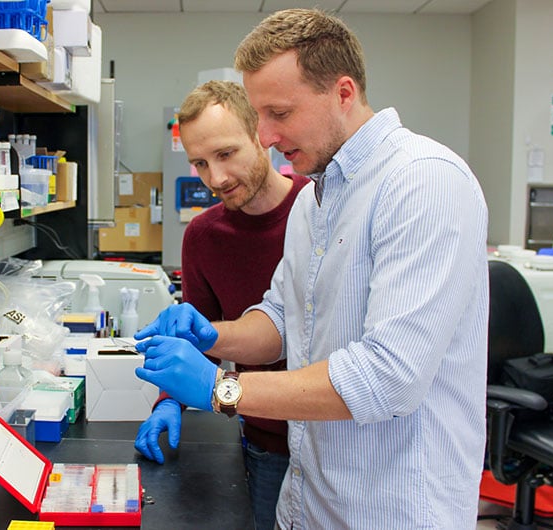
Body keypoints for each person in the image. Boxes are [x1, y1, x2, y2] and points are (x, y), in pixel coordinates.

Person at [133, 8, 489, 530]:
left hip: (391, 506)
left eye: (280, 113)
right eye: (261, 120)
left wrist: (220, 388)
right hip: (310, 498)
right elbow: (281, 320)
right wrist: (214, 335)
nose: (269, 137)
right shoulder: (316, 199)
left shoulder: (422, 182)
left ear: (343, 92)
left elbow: (388, 377)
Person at [134, 80, 309, 530]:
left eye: (226, 154)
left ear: (261, 135)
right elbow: (204, 342)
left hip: (338, 441)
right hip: (263, 438)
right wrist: (169, 400)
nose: (216, 179)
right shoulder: (204, 237)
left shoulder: (318, 211)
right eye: (199, 163)